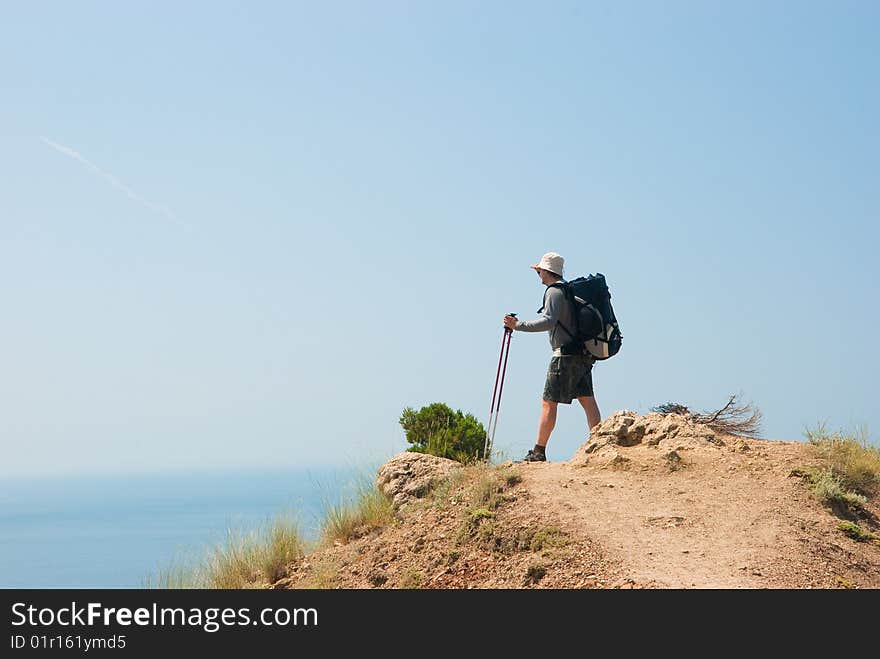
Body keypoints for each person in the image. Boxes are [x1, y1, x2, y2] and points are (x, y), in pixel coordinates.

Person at [503, 252, 601, 462]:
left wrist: (517, 326)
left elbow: (548, 321)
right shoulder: (567, 290)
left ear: (547, 271)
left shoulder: (554, 292)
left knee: (549, 402)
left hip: (564, 356)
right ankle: (601, 442)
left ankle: (539, 451)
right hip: (581, 355)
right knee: (587, 399)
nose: (538, 273)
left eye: (539, 270)